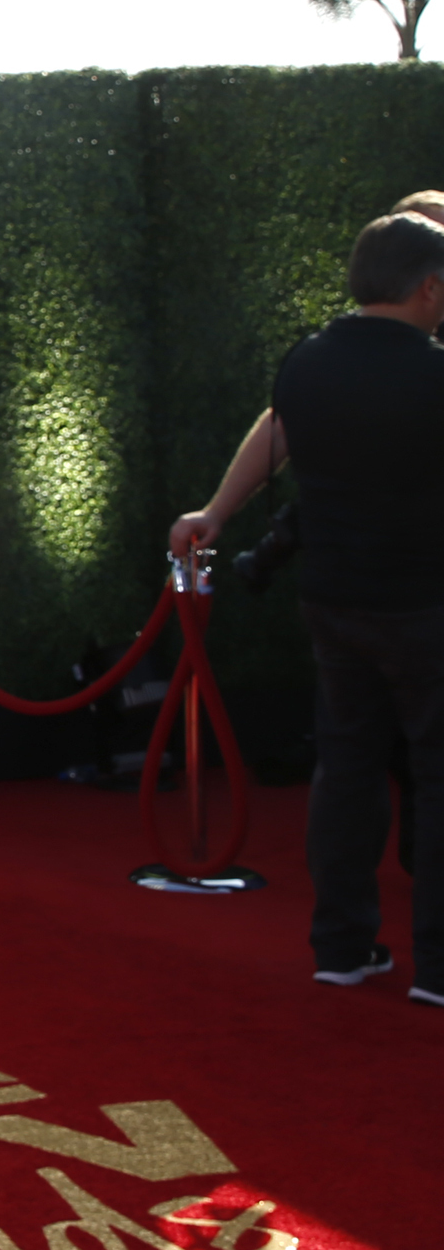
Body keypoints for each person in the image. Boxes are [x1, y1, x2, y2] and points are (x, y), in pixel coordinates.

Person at [172, 210, 444, 1003]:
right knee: (435, 774)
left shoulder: (307, 361)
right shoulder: (435, 374)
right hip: (424, 602)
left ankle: (342, 947)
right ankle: (438, 965)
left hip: (331, 596)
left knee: (347, 767)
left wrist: (215, 512)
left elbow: (275, 433)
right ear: (428, 287)